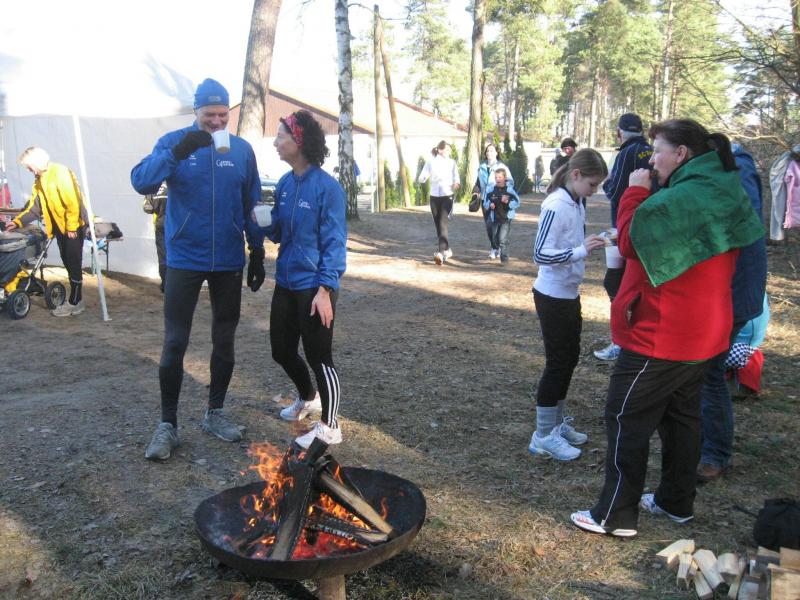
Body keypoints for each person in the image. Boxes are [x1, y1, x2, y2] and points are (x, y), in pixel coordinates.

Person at [570, 119, 764, 537]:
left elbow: (631, 241)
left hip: (665, 333)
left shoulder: (685, 196)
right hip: (705, 331)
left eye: (658, 151)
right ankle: (675, 501)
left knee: (625, 416)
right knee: (681, 418)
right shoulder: (719, 185)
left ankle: (614, 515)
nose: (652, 159)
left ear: (681, 154)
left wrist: (635, 191)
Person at [131, 78, 266, 461]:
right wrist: (177, 153)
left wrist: (256, 248)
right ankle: (167, 425)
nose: (217, 121)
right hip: (184, 258)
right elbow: (141, 181)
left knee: (224, 338)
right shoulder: (174, 141)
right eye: (210, 115)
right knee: (175, 341)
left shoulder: (241, 150)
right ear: (196, 112)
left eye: (223, 115)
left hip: (228, 259)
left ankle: (215, 412)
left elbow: (252, 201)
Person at [265, 110, 347, 449]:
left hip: (315, 286)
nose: (275, 142)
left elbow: (335, 242)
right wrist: (262, 221)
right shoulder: (284, 184)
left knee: (319, 357)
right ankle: (307, 396)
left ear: (298, 141)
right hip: (286, 281)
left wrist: (325, 289)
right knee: (281, 350)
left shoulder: (327, 188)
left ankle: (331, 426)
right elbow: (277, 233)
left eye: (281, 136)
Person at [529, 149, 609, 461]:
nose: (595, 190)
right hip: (551, 295)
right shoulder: (556, 205)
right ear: (576, 175)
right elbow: (540, 253)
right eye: (592, 184)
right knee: (558, 363)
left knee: (569, 359)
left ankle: (555, 424)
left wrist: (593, 241)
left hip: (568, 293)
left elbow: (571, 244)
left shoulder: (576, 202)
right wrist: (579, 251)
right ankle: (542, 435)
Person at [697, 143, 767, 482]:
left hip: (733, 292)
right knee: (701, 370)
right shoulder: (725, 171)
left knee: (709, 371)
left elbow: (738, 226)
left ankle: (714, 454)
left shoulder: (737, 171)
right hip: (722, 291)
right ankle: (703, 443)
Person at [594, 113, 653, 361]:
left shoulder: (626, 153)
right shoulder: (651, 151)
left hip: (625, 228)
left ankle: (622, 342)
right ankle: (630, 340)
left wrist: (607, 184)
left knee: (616, 284)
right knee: (633, 287)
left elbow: (616, 190)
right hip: (648, 232)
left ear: (619, 132)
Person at [7, 147, 88, 316]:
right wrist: (17, 222)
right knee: (68, 262)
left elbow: (73, 201)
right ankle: (76, 299)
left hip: (74, 225)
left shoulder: (60, 172)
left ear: (37, 162)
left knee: (73, 261)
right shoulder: (39, 180)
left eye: (29, 166)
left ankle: (75, 302)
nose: (28, 170)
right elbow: (34, 207)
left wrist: (72, 226)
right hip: (59, 227)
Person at [417, 141, 460, 265]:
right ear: (440, 150)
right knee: (438, 225)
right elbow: (423, 176)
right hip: (434, 196)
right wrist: (422, 178)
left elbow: (456, 177)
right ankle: (447, 249)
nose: (448, 152)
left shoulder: (452, 163)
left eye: (449, 150)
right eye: (446, 149)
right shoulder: (431, 162)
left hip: (448, 195)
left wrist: (456, 184)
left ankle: (440, 253)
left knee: (442, 223)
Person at [470, 143, 513, 259]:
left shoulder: (502, 167)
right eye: (488, 151)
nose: (489, 153)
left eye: (492, 151)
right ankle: (494, 247)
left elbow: (510, 181)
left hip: (499, 201)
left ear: (497, 153)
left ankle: (498, 246)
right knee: (489, 226)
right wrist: (475, 192)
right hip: (486, 201)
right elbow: (478, 183)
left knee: (497, 225)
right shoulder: (482, 167)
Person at [483, 168, 520, 263]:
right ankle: (496, 248)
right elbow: (485, 202)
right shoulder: (491, 190)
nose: (497, 179)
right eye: (496, 177)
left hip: (506, 219)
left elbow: (517, 202)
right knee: (494, 238)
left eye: (500, 177)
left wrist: (508, 202)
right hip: (494, 218)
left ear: (505, 178)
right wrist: (490, 205)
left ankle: (504, 260)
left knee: (502, 239)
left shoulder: (510, 190)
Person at [142, 181, 168, 292]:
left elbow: (147, 208)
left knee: (163, 256)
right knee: (178, 254)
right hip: (177, 226)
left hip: (160, 225)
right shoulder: (176, 182)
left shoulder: (152, 186)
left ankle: (165, 285)